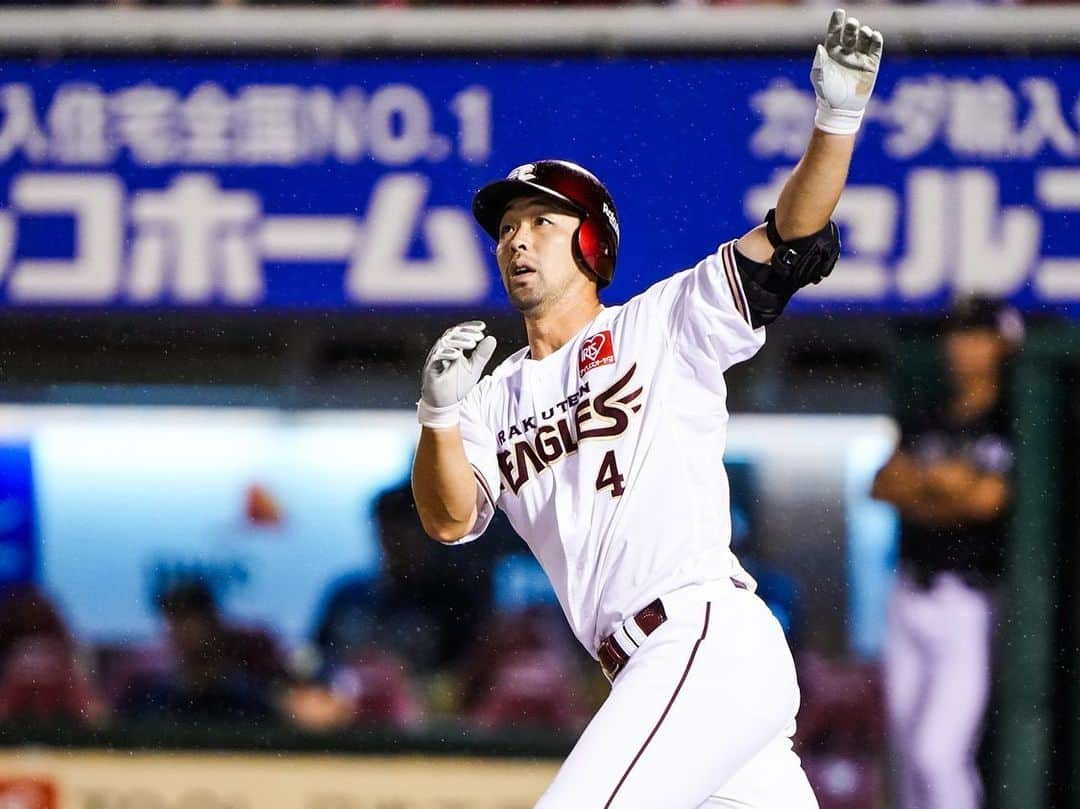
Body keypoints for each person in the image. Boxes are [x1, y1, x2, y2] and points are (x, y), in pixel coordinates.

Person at [411, 10, 883, 808]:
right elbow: (450, 518)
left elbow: (791, 240)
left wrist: (837, 120)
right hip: (661, 673)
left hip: (700, 635)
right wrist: (435, 418)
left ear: (593, 244)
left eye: (541, 223)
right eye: (507, 228)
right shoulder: (488, 399)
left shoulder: (661, 322)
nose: (517, 241)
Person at [871, 297, 1022, 809]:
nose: (961, 346)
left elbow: (988, 500)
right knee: (908, 751)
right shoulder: (927, 415)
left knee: (939, 754)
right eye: (957, 334)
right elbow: (882, 485)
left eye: (975, 335)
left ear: (1002, 344)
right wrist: (945, 490)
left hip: (968, 600)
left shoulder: (1008, 419)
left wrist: (928, 490)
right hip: (910, 591)